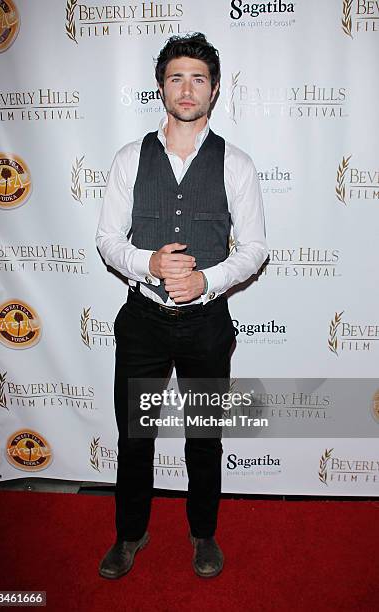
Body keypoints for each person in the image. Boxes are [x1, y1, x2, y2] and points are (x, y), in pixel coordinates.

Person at [95, 32, 268, 579]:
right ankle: (130, 534)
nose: (187, 88)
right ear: (160, 88)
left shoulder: (236, 163)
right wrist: (147, 263)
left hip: (207, 325)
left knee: (204, 439)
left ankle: (203, 534)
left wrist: (208, 279)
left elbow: (257, 247)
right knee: (134, 437)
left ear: (214, 90)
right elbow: (107, 239)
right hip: (142, 323)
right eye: (176, 77)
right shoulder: (129, 158)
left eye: (198, 78)